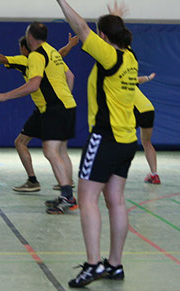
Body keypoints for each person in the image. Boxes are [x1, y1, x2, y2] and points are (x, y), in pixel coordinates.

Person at [48, 0, 138, 288]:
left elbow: (82, 29)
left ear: (103, 37)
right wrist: (116, 19)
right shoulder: (130, 57)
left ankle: (93, 264)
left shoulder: (109, 56)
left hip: (105, 138)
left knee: (86, 199)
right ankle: (115, 264)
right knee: (116, 200)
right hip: (127, 140)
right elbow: (108, 33)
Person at [0, 22, 78, 214]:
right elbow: (71, 76)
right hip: (66, 105)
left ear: (30, 37)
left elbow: (34, 85)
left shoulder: (35, 55)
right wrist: (65, 96)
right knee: (58, 151)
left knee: (51, 152)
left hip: (54, 108)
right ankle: (66, 194)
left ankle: (67, 197)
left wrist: (4, 96)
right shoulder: (51, 51)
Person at [61, 21, 161, 185]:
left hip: (130, 113)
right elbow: (137, 79)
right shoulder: (130, 61)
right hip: (148, 109)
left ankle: (106, 174)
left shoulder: (113, 66)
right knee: (146, 142)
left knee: (115, 140)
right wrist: (148, 78)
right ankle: (154, 173)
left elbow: (89, 33)